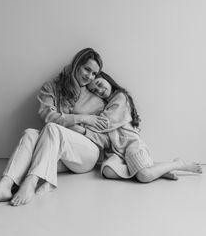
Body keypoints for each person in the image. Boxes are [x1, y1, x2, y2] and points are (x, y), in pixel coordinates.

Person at [0, 48, 109, 207]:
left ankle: (31, 181)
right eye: (87, 69)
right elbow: (48, 115)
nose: (90, 77)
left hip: (86, 156)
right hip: (59, 153)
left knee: (52, 128)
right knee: (30, 133)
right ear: (77, 65)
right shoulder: (51, 87)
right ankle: (5, 184)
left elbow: (104, 138)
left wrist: (81, 129)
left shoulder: (97, 99)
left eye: (94, 74)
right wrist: (83, 118)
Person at [72, 72, 202, 183]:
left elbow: (105, 123)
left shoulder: (120, 97)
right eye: (94, 91)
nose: (99, 90)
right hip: (115, 151)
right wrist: (84, 132)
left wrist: (82, 122)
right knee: (107, 171)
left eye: (99, 84)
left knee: (144, 177)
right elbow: (104, 138)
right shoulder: (103, 106)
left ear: (106, 79)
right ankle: (155, 170)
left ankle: (178, 164)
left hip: (130, 145)